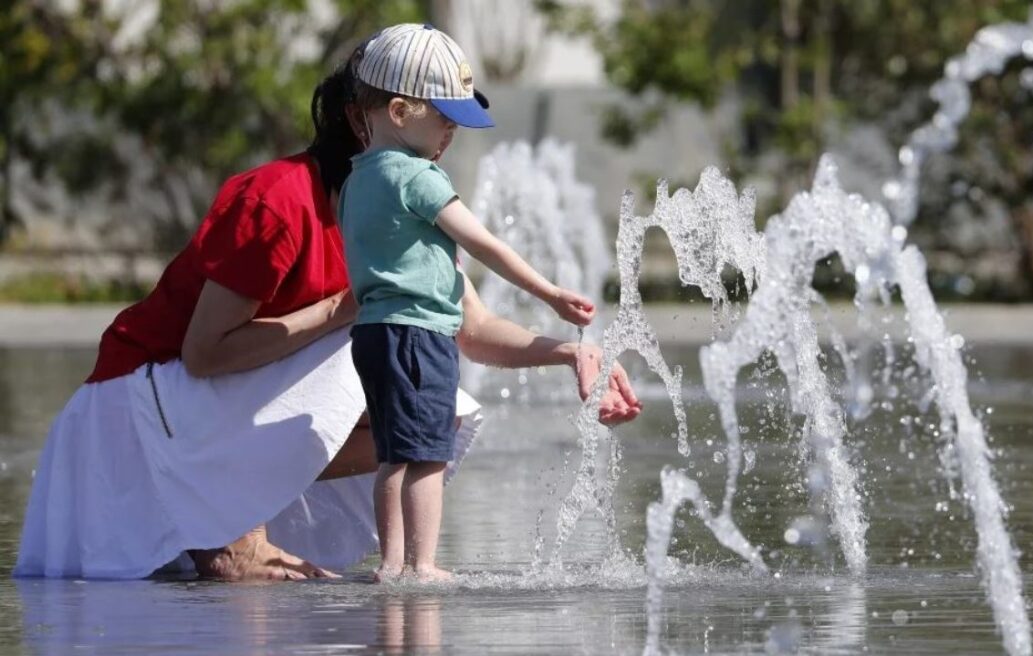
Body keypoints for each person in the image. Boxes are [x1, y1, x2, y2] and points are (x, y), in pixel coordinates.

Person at [13, 35, 641, 582]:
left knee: (433, 411)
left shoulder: (408, 208)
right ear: (375, 117)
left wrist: (570, 353)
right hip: (131, 412)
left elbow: (470, 331)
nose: (449, 137)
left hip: (204, 416)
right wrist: (339, 311)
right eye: (440, 118)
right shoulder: (279, 201)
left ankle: (243, 517)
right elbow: (204, 355)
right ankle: (233, 524)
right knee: (368, 340)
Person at [338, 24, 596, 582]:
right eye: (444, 117)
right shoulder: (418, 176)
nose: (451, 131)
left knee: (392, 454)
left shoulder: (357, 180)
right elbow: (483, 242)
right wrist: (549, 294)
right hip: (419, 334)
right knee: (430, 452)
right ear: (401, 111)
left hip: (375, 332)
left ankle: (391, 563)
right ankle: (423, 564)